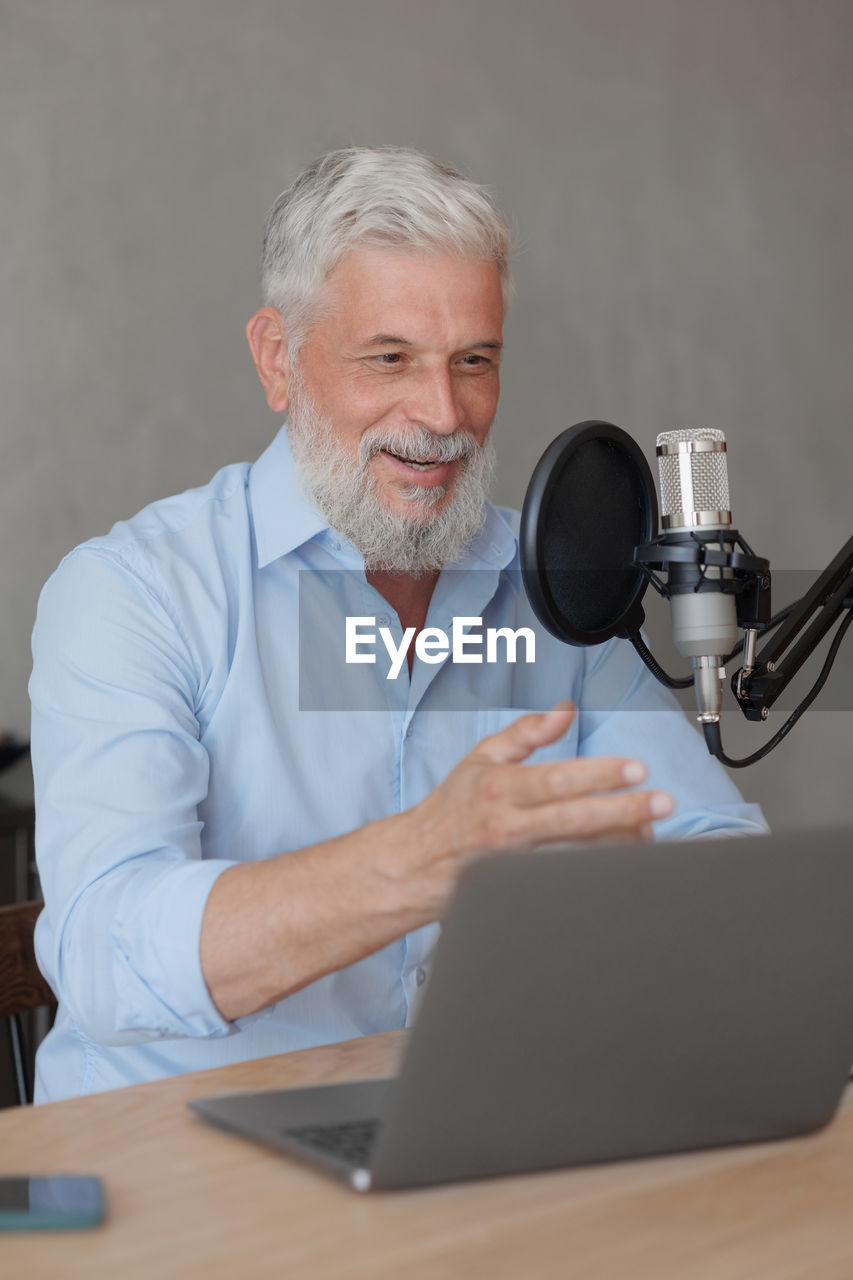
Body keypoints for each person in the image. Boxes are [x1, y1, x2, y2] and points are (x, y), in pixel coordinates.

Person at [29, 147, 765, 1101]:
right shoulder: (132, 593)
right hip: (179, 1173)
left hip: (471, 1132)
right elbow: (102, 953)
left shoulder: (556, 591)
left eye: (474, 362)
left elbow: (725, 876)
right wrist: (420, 861)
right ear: (277, 358)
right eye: (389, 358)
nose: (441, 413)